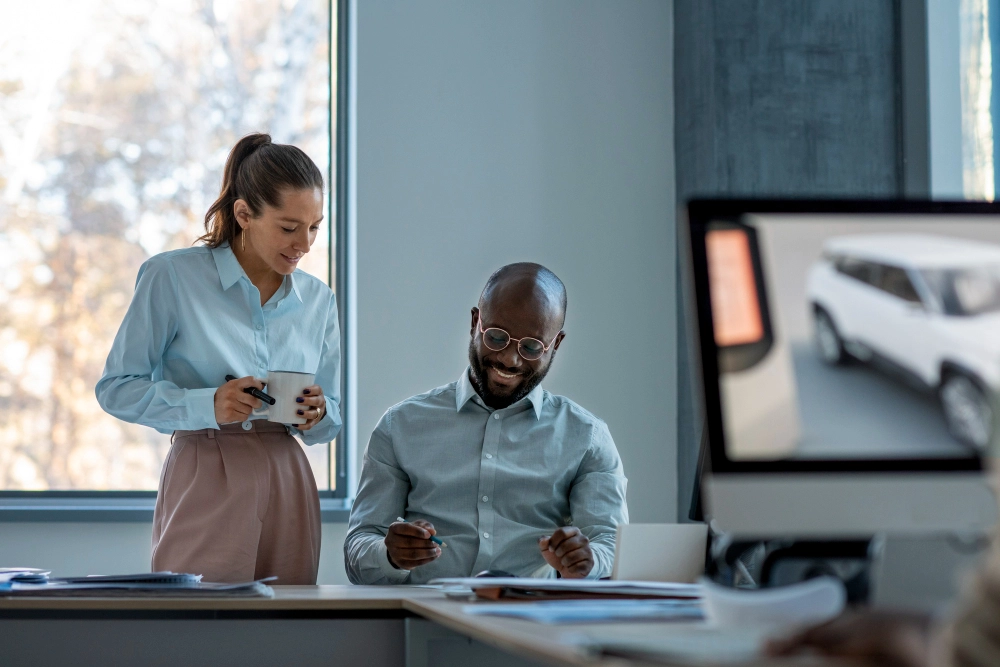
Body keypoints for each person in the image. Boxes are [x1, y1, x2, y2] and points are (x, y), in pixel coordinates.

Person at [96, 133, 341, 584]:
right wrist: (207, 404)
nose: (304, 243)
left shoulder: (319, 301)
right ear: (244, 213)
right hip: (205, 470)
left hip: (288, 476)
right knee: (195, 630)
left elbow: (331, 421)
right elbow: (116, 389)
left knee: (288, 635)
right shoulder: (171, 277)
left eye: (314, 227)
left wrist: (319, 414)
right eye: (289, 227)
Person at [345, 263, 628, 584]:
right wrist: (389, 555)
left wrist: (587, 562)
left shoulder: (587, 436)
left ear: (556, 345)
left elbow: (610, 545)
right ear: (474, 322)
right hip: (428, 622)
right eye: (496, 337)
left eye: (532, 346)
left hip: (533, 625)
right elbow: (358, 548)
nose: (510, 359)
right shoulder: (401, 425)